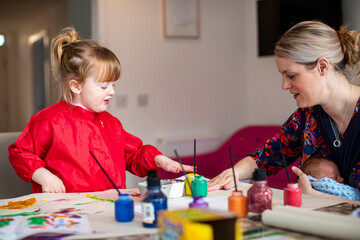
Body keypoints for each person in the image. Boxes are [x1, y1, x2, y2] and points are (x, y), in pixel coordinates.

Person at [8, 27, 193, 194]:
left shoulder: (111, 123)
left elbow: (134, 155)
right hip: (67, 211)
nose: (112, 91)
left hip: (110, 206)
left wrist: (158, 159)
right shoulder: (50, 119)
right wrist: (44, 177)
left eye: (113, 85)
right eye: (104, 86)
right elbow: (20, 152)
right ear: (76, 86)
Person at [208, 20, 360, 204]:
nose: (284, 86)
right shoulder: (306, 117)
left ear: (322, 67)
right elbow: (266, 157)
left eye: (291, 76)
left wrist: (322, 198)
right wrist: (233, 174)